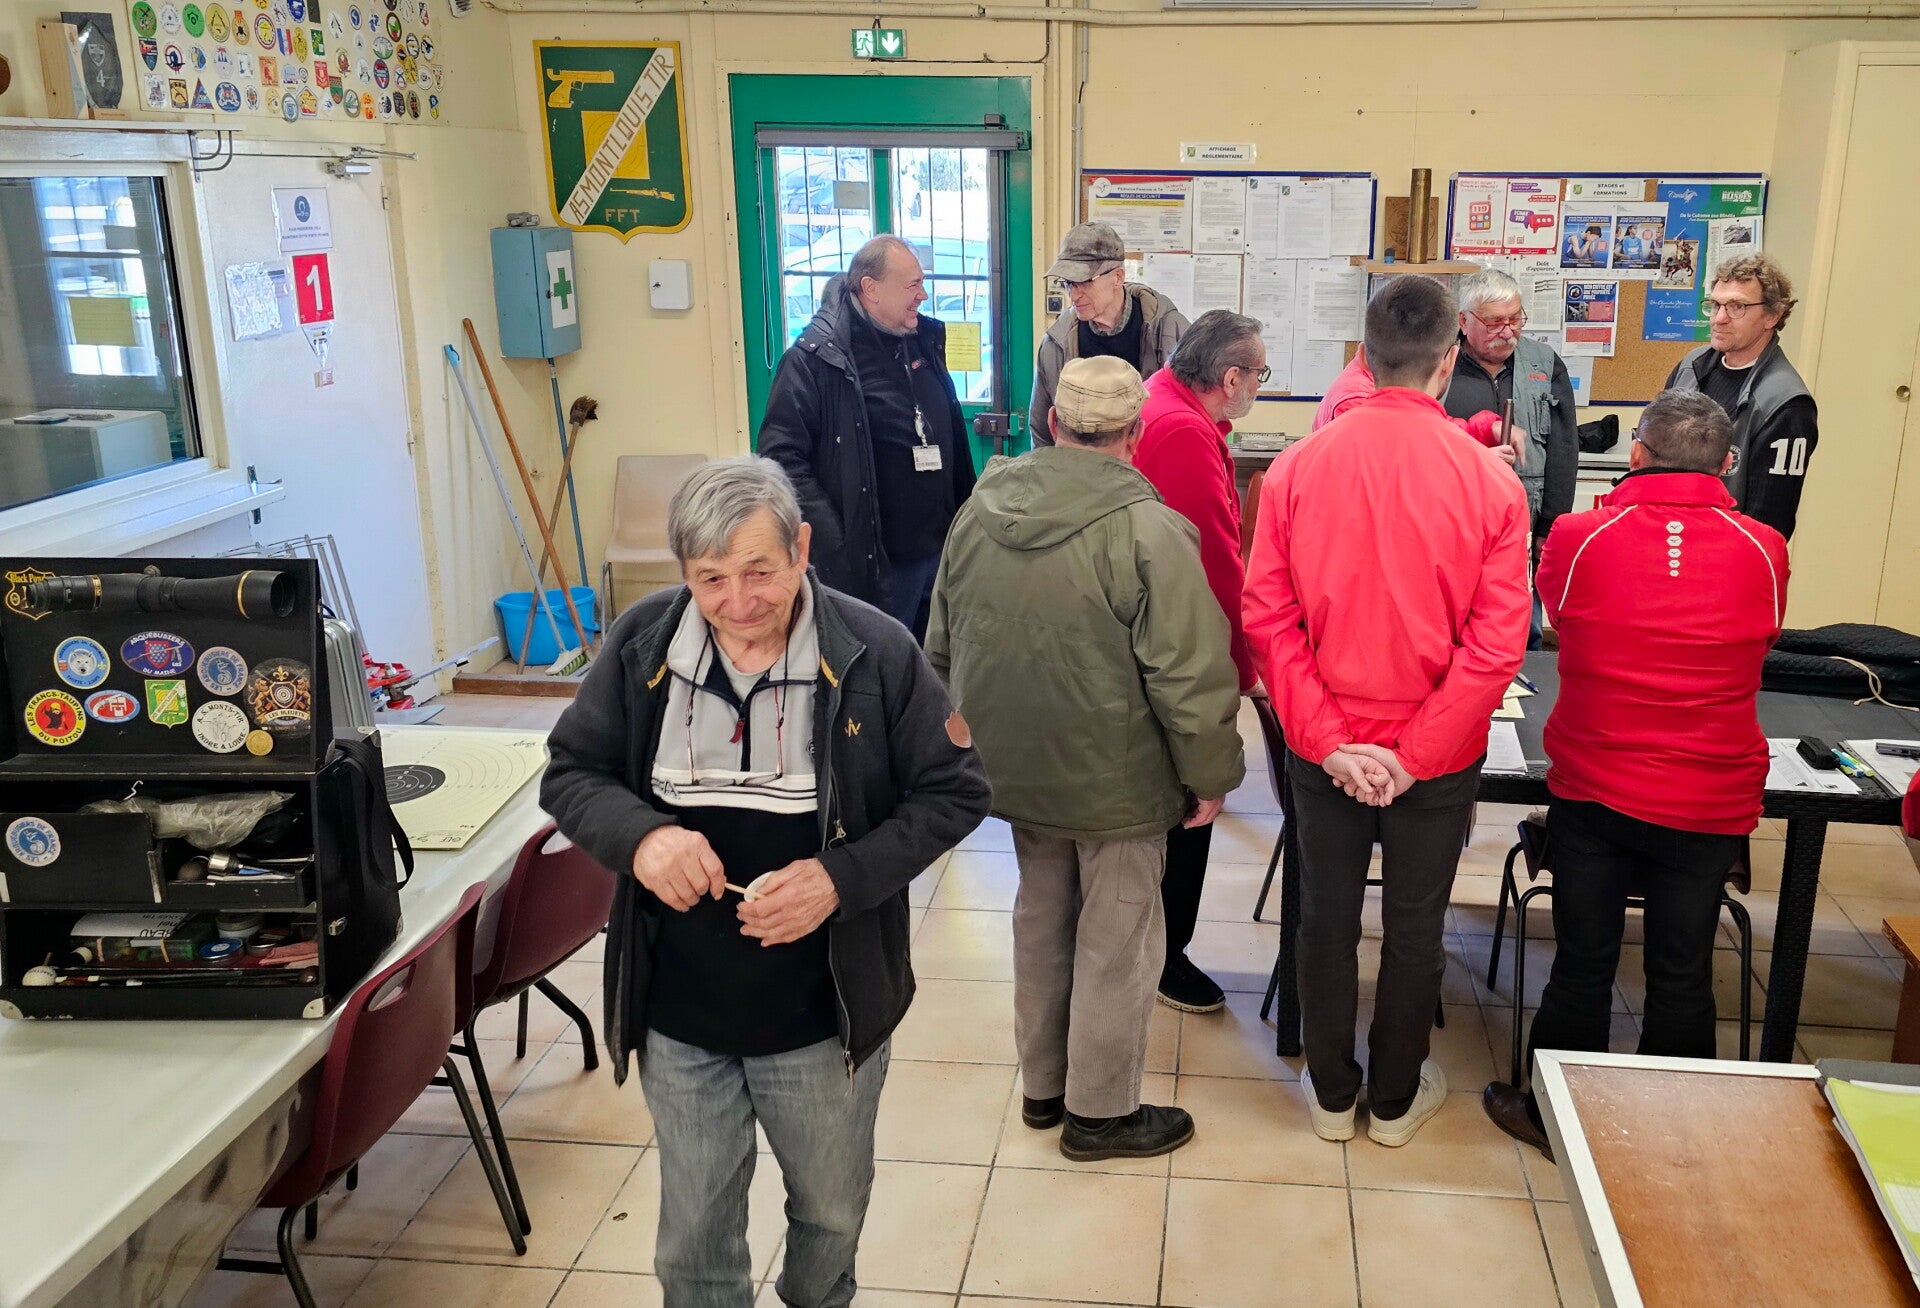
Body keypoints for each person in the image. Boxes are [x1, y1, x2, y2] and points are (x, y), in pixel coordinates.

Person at [541, 457, 991, 1307]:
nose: (739, 602)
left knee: (830, 1213)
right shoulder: (641, 644)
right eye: (710, 578)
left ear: (802, 550)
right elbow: (571, 772)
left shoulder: (874, 652)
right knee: (694, 1239)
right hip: (681, 1011)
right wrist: (643, 838)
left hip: (823, 1015)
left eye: (759, 571)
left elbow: (957, 791)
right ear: (683, 570)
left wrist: (838, 879)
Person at [928, 356, 1244, 1162]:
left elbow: (942, 641)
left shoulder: (978, 512)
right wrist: (1211, 775)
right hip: (1119, 782)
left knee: (1040, 918)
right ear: (1134, 435)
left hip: (1013, 767)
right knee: (1118, 940)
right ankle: (1100, 1115)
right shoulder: (1149, 531)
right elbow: (1190, 675)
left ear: (1052, 423)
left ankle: (1043, 1088)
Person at [1244, 275, 1529, 1148]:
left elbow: (1268, 619)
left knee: (1325, 920)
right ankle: (1395, 1102)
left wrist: (1331, 744)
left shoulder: (1296, 469)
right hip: (1431, 759)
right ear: (1448, 363)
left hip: (1326, 748)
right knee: (1415, 928)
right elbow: (1496, 647)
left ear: (1362, 359)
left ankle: (1333, 1096)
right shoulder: (1491, 483)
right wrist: (1414, 756)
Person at [1482, 391, 1788, 1159]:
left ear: (1638, 456)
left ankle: (1556, 1121)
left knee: (1584, 960)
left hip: (1597, 785)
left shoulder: (1578, 536)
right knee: (1683, 969)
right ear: (1727, 463)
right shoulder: (1765, 547)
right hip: (1709, 797)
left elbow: (1557, 621)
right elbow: (1766, 634)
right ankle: (1669, 1130)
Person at [1132, 310, 1262, 1014]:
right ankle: (1164, 955)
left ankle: (1154, 945)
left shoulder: (1164, 399)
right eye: (1259, 374)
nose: (1260, 385)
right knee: (1192, 801)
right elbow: (1211, 565)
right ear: (1230, 377)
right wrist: (1242, 672)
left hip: (1150, 646)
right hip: (1178, 658)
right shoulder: (1181, 429)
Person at [758, 234, 976, 640]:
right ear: (871, 288)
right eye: (913, 285)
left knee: (933, 663)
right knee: (882, 663)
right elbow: (780, 461)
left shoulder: (923, 341)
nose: (923, 295)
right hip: (874, 567)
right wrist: (837, 539)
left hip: (940, 551)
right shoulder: (815, 359)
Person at [1443, 268, 1580, 650]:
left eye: (1515, 319)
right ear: (1463, 320)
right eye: (1494, 322)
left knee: (1521, 625)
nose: (1507, 332)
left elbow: (1564, 448)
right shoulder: (1439, 361)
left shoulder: (1544, 363)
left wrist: (1550, 525)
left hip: (1524, 521)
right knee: (1453, 624)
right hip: (1453, 518)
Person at [1663, 253, 1818, 539]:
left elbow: (1770, 525)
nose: (1719, 319)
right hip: (1668, 535)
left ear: (1772, 316)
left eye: (1737, 307)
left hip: (1725, 550)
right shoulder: (1690, 366)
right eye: (1715, 305)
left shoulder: (1786, 404)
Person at [1029, 222, 1189, 445]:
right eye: (1068, 283)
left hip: (1153, 462)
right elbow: (1042, 433)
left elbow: (1194, 417)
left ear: (1118, 277)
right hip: (1084, 465)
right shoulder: (1056, 343)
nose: (1073, 295)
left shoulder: (1172, 331)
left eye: (1085, 282)